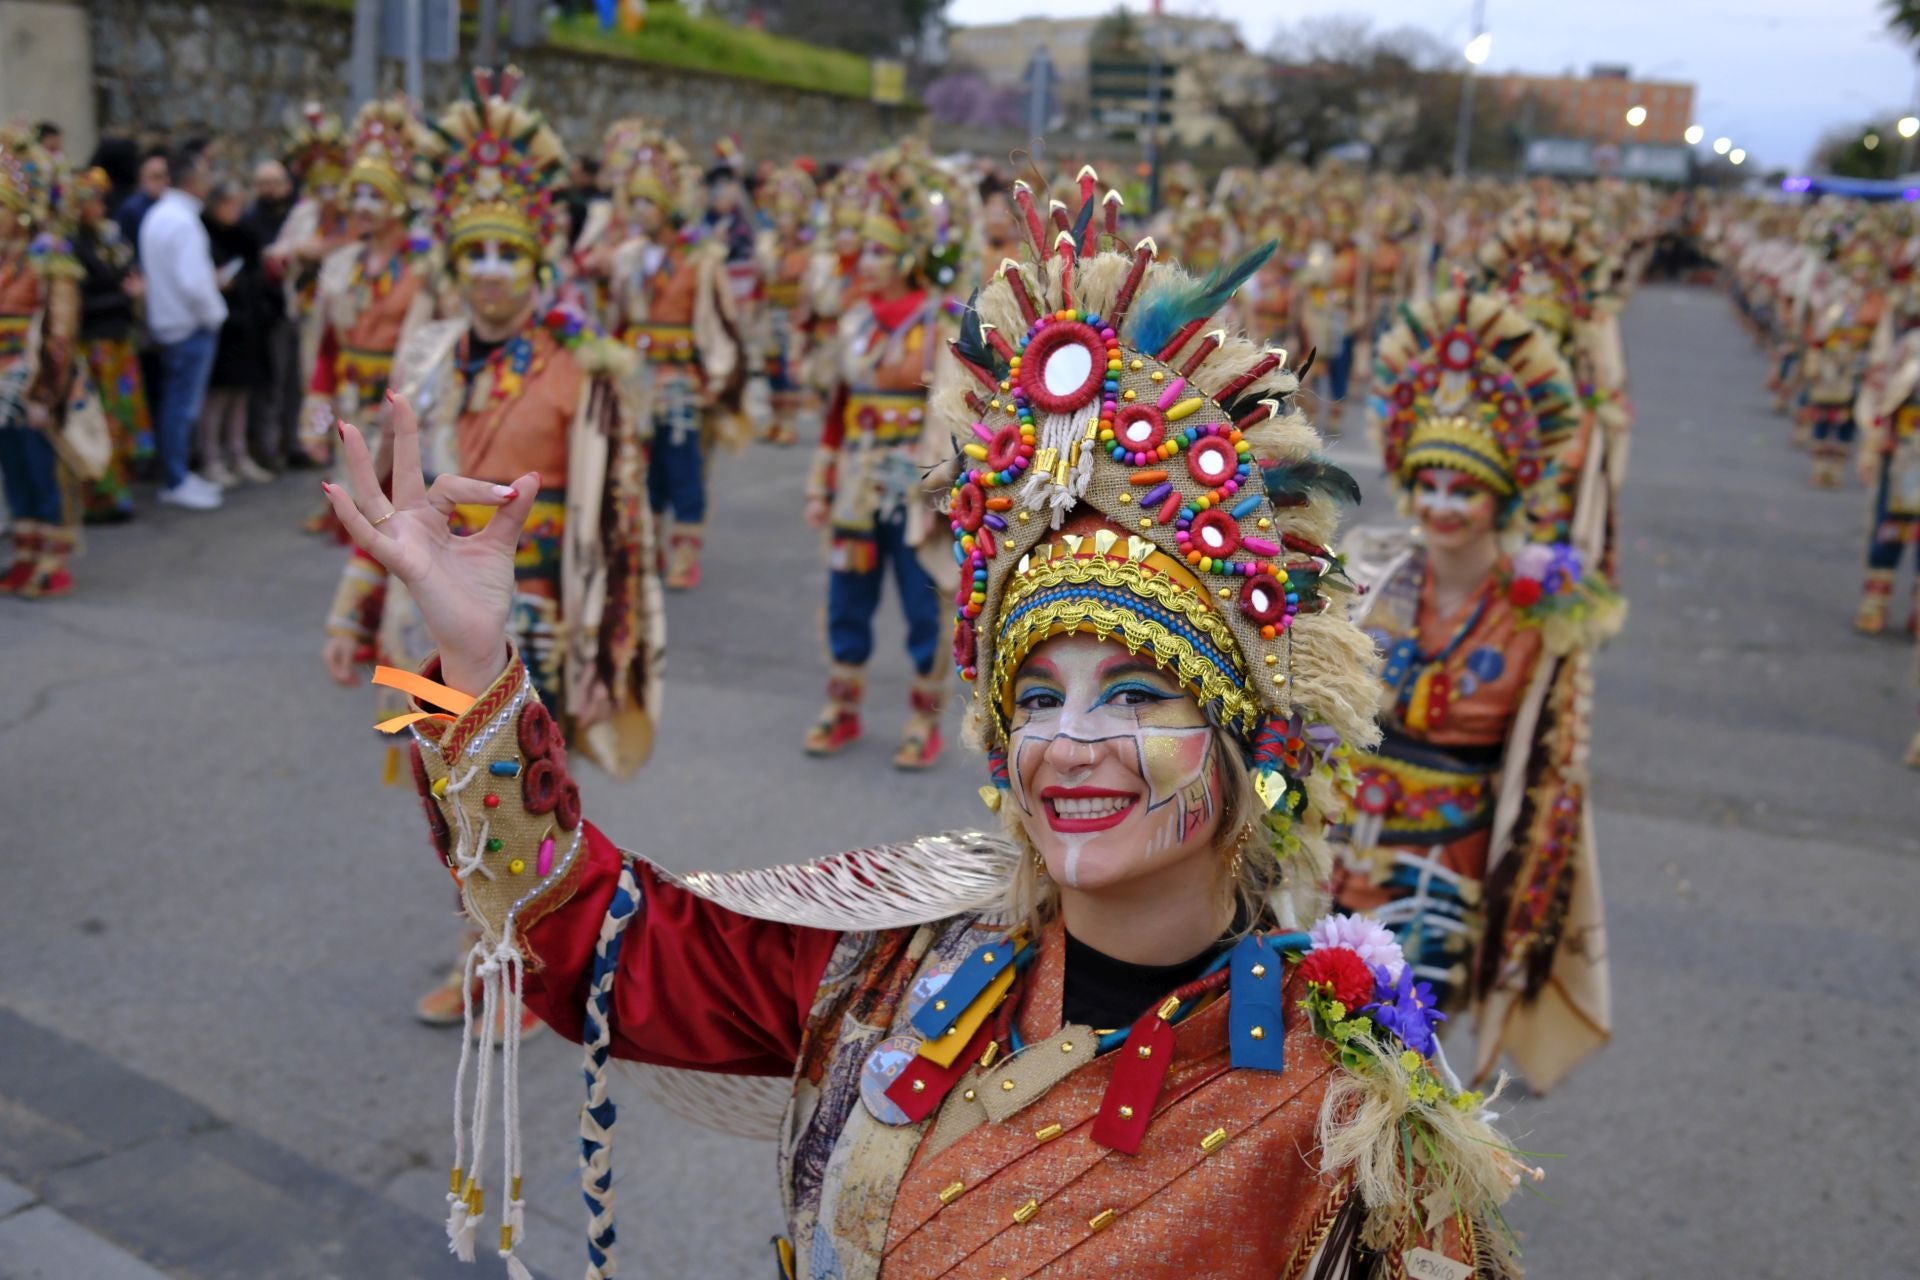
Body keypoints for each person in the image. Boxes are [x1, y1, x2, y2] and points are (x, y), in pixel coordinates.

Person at [321, 165, 1534, 1279]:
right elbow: (590, 936)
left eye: (1137, 689)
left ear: (1249, 737)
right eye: (1037, 695)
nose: (1070, 740)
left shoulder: (1357, 1123)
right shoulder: (894, 962)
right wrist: (470, 664)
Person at [319, 67, 665, 1030]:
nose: (489, 273)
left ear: (540, 262)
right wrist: (354, 609)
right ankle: (484, 948)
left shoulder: (583, 371)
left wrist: (612, 653)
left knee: (520, 798)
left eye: (508, 254)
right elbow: (388, 508)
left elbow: (620, 527)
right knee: (448, 791)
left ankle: (517, 968)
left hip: (535, 626)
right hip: (427, 622)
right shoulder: (423, 361)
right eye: (471, 252)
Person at [1334, 286, 1623, 1094]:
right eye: (1427, 484)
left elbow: (1554, 762)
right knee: (1314, 1027)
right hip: (1343, 841)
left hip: (1450, 852)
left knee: (1406, 1038)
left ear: (1503, 495)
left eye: (1463, 489)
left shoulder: (1545, 610)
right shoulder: (1371, 572)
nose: (1440, 506)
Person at [801, 147, 965, 766]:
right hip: (856, 482)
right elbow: (837, 412)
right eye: (861, 250)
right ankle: (841, 708)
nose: (863, 263)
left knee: (923, 597)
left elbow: (954, 417)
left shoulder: (939, 325)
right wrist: (821, 485)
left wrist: (937, 481)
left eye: (876, 251)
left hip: (915, 486)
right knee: (847, 592)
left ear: (907, 256)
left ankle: (924, 720)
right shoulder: (852, 322)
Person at [598, 120, 744, 590]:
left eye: (649, 202)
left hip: (680, 379)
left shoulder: (702, 261)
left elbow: (720, 322)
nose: (640, 211)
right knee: (639, 467)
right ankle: (649, 546)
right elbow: (616, 320)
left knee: (683, 467)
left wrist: (719, 376)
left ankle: (685, 553)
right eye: (635, 200)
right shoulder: (628, 257)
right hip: (637, 376)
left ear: (668, 206)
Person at [298, 96, 436, 535]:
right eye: (356, 193)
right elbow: (325, 351)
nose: (361, 205)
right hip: (349, 399)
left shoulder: (423, 271)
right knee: (354, 518)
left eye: (374, 195)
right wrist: (317, 425)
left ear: (398, 202)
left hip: (400, 413)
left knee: (394, 526)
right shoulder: (341, 265)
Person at [138, 138, 228, 511]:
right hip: (189, 326)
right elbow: (193, 283)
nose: (209, 184)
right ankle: (176, 478)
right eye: (205, 176)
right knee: (181, 407)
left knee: (174, 405)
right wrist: (215, 313)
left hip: (169, 323)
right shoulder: (183, 220)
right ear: (191, 181)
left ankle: (178, 474)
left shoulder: (158, 215)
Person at [264, 106, 353, 471]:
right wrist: (293, 253)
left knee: (348, 399)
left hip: (347, 322)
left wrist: (325, 248)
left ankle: (349, 470)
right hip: (309, 319)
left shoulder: (357, 219)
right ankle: (323, 456)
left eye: (334, 186)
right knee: (315, 393)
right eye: (321, 187)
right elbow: (279, 251)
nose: (328, 195)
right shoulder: (303, 215)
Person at [68, 165, 151, 521]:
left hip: (118, 343)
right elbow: (80, 302)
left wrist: (133, 295)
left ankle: (119, 490)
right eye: (92, 199)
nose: (99, 205)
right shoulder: (70, 245)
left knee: (120, 418)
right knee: (99, 420)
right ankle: (100, 496)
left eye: (101, 198)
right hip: (93, 346)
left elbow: (127, 276)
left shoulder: (109, 238)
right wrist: (123, 296)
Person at [199, 179, 274, 486]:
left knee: (241, 394)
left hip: (248, 324)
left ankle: (239, 453)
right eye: (230, 205)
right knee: (217, 395)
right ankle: (211, 458)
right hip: (222, 325)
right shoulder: (204, 234)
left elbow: (258, 273)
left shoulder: (246, 235)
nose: (236, 211)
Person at [754, 161, 819, 446]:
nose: (783, 222)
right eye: (779, 216)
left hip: (793, 314)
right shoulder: (769, 247)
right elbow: (761, 281)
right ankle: (775, 418)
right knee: (772, 369)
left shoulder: (809, 251)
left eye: (789, 216)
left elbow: (810, 286)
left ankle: (789, 423)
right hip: (772, 313)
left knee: (790, 368)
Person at [243, 159, 298, 471]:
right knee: (272, 386)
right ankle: (269, 446)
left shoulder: (297, 216)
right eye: (262, 183)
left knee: (297, 384)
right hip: (270, 313)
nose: (269, 189)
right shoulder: (251, 221)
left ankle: (297, 441)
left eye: (274, 182)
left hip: (297, 309)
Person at [115, 147, 169, 251]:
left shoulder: (173, 204)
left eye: (167, 175)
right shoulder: (131, 209)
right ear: (142, 179)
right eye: (156, 177)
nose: (164, 182)